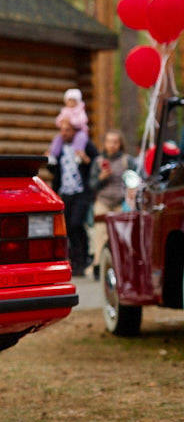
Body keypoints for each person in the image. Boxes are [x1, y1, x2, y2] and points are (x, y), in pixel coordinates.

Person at [47, 117, 98, 277]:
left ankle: (84, 257)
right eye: (62, 130)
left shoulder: (84, 145)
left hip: (81, 192)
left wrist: (85, 160)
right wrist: (49, 161)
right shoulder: (60, 147)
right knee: (68, 227)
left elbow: (95, 162)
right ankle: (75, 261)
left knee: (77, 224)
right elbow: (54, 171)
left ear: (74, 130)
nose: (64, 133)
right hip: (65, 192)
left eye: (67, 130)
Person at [88, 129, 133, 280]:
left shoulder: (128, 161)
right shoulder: (98, 162)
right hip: (103, 202)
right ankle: (98, 266)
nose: (112, 145)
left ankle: (122, 267)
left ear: (120, 144)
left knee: (122, 236)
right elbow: (92, 185)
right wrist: (101, 177)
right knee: (100, 234)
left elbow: (136, 178)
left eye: (115, 142)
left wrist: (132, 188)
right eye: (109, 142)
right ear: (105, 144)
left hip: (121, 203)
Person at [48, 88, 90, 160]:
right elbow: (58, 120)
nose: (71, 103)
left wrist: (71, 121)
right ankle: (53, 155)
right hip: (68, 134)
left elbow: (83, 120)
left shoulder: (80, 110)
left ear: (77, 102)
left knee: (80, 139)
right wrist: (62, 120)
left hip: (79, 131)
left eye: (73, 100)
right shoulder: (65, 111)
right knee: (57, 139)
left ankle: (78, 154)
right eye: (69, 100)